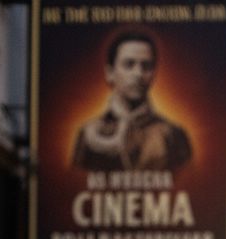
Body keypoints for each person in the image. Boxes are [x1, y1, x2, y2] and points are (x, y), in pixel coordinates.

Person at [72, 31, 192, 173]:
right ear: (110, 73)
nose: (138, 74)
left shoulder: (173, 135)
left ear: (154, 73)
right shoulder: (89, 134)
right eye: (129, 65)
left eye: (146, 66)